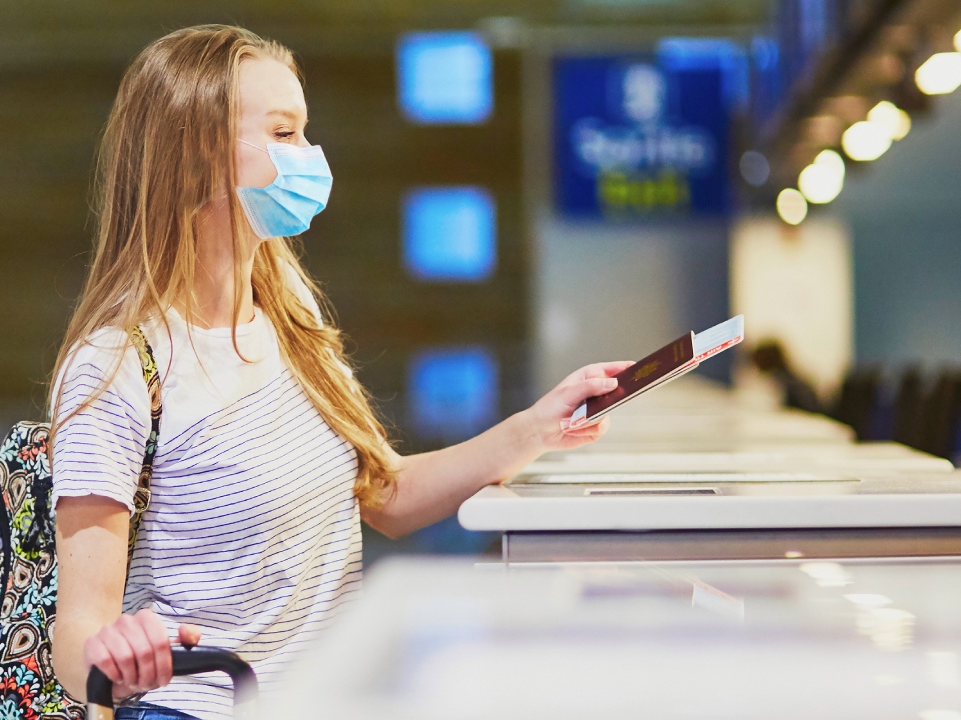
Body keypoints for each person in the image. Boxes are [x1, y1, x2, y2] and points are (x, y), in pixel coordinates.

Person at [48, 24, 630, 720]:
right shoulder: (114, 366)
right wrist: (116, 654)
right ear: (198, 151)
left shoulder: (287, 311)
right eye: (283, 132)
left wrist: (537, 428)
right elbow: (75, 638)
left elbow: (384, 494)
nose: (309, 155)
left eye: (305, 131)